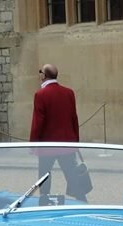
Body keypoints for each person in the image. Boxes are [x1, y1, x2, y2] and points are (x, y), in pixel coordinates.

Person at [29, 63, 87, 204]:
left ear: (43, 75)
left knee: (44, 175)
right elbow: (74, 118)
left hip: (47, 145)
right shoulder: (69, 92)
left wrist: (33, 143)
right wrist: (75, 142)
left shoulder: (40, 94)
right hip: (66, 143)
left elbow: (38, 122)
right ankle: (81, 200)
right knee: (71, 174)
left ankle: (44, 199)